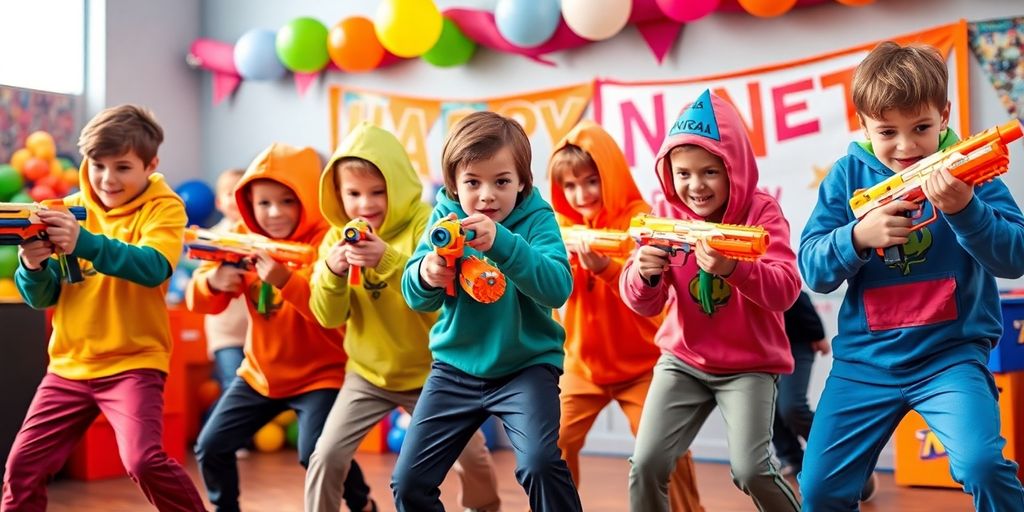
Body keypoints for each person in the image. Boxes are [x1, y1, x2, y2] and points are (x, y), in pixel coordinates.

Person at [798, 41, 1024, 511]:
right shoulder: (845, 177)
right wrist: (857, 238)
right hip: (864, 364)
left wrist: (966, 210)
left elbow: (1015, 257)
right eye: (887, 132)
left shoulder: (973, 168)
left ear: (944, 115)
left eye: (921, 127)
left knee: (982, 464)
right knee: (819, 488)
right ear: (863, 125)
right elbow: (814, 270)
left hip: (950, 358)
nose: (906, 147)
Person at [4, 104, 206, 511]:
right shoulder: (63, 209)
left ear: (151, 165)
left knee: (143, 460)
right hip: (69, 366)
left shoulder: (164, 208)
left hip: (133, 363)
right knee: (22, 467)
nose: (107, 179)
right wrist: (32, 264)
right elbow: (43, 298)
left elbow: (152, 268)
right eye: (98, 165)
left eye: (123, 167)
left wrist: (85, 243)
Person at [621, 90, 801, 512]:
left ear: (733, 170)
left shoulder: (761, 213)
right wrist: (645, 274)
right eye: (682, 173)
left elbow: (786, 290)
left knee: (751, 470)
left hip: (750, 366)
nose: (695, 186)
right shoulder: (664, 211)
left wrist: (733, 269)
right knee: (646, 463)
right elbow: (643, 304)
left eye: (709, 172)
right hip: (683, 359)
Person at [394, 111, 583, 512]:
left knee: (539, 463)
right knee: (409, 482)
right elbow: (416, 297)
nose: (486, 196)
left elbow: (557, 288)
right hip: (454, 369)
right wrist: (427, 274)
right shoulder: (444, 218)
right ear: (452, 184)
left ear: (522, 182)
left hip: (526, 367)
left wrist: (502, 242)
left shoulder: (536, 219)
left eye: (501, 182)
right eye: (472, 182)